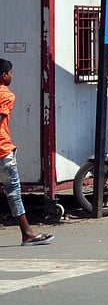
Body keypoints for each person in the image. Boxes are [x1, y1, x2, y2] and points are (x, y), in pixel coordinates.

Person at [0, 59, 54, 245]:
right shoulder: (6, 95)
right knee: (13, 192)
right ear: (4, 76)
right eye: (10, 73)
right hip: (2, 150)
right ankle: (27, 233)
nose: (11, 76)